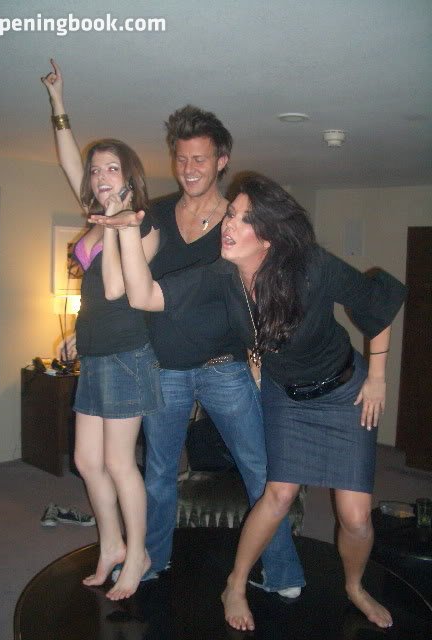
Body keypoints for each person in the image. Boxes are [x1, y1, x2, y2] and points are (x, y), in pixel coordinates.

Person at [102, 173, 406, 630]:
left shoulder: (311, 266)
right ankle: (236, 584)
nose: (228, 224)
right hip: (287, 397)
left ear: (267, 236)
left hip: (345, 392)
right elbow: (144, 295)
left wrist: (378, 377)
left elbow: (377, 305)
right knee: (277, 494)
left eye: (243, 219)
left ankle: (354, 586)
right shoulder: (222, 276)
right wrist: (127, 231)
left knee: (356, 517)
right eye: (231, 214)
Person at [89, 106, 305, 597]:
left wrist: (259, 358)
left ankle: (283, 572)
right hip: (163, 367)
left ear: (221, 160)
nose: (189, 169)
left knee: (260, 471)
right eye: (182, 158)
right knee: (159, 473)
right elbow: (125, 282)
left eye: (200, 159)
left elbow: (259, 291)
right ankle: (151, 558)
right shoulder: (157, 214)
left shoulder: (237, 222)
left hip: (223, 368)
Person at [41, 60, 163, 600]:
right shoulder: (97, 215)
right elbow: (68, 160)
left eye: (111, 169)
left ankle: (138, 553)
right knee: (86, 460)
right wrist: (58, 103)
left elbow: (116, 288)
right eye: (96, 172)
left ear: (129, 176)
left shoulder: (142, 224)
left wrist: (116, 224)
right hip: (95, 352)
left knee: (118, 462)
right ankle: (111, 543)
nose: (99, 177)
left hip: (127, 355)